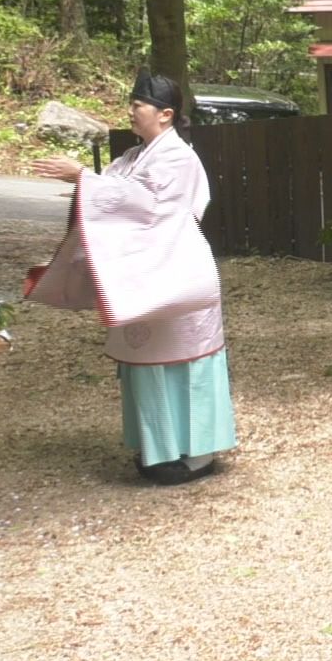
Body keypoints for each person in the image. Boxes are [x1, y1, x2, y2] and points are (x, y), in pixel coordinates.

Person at [27, 70, 237, 485]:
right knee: (146, 368)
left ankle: (199, 456)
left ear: (165, 114)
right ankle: (157, 449)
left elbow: (150, 206)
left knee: (187, 367)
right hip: (145, 275)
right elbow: (114, 194)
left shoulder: (178, 157)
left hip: (175, 275)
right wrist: (88, 183)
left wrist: (83, 177)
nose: (130, 111)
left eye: (137, 105)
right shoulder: (132, 156)